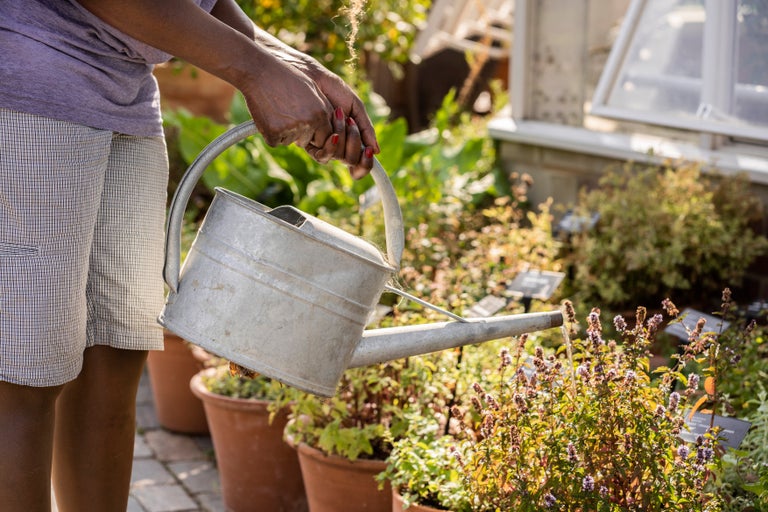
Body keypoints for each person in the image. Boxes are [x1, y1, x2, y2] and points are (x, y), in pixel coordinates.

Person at [0, 1, 379, 510]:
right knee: (22, 373)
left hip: (127, 100)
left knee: (113, 357)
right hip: (32, 94)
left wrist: (292, 64)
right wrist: (257, 71)